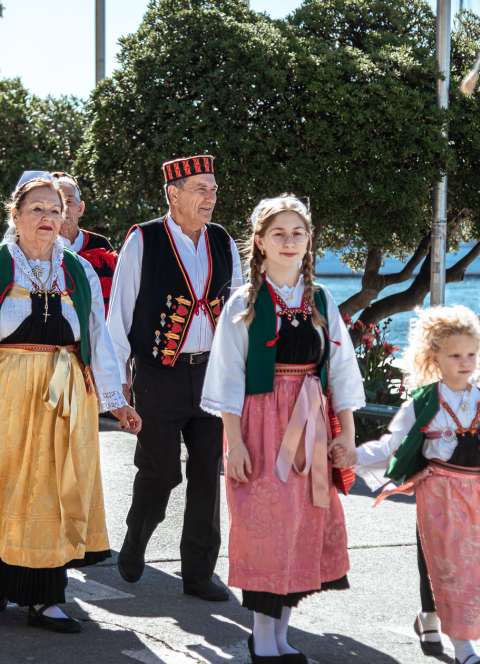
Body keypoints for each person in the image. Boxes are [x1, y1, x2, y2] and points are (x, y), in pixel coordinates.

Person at [0, 172, 140, 632]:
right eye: (36, 208)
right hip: (2, 394)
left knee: (52, 489)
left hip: (65, 397)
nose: (47, 217)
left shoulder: (77, 270)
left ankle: (46, 598)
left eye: (55, 209)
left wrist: (118, 400)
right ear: (15, 215)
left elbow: (98, 337)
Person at [200, 196, 364, 662]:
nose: (289, 242)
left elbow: (342, 369)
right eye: (279, 234)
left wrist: (347, 434)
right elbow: (227, 375)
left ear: (309, 240)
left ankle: (281, 636)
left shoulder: (321, 300)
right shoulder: (244, 302)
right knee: (264, 525)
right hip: (260, 423)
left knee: (302, 523)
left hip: (311, 422)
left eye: (297, 233)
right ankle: (262, 637)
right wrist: (234, 444)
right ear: (260, 242)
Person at [356, 306, 480, 664]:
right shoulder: (424, 402)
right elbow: (392, 446)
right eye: (455, 355)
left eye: (471, 354)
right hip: (437, 493)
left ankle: (429, 619)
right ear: (434, 356)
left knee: (471, 568)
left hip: (477, 496)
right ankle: (464, 649)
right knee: (448, 566)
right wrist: (348, 456)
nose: (465, 362)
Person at [106, 154, 242, 602]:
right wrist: (117, 383)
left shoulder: (223, 240)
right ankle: (136, 535)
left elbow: (239, 312)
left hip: (211, 374)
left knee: (208, 471)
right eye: (201, 188)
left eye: (214, 189)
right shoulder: (143, 239)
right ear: (174, 194)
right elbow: (119, 315)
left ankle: (199, 573)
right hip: (158, 376)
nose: (211, 197)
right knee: (161, 471)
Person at [53, 171, 118, 314]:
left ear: (80, 208)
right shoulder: (42, 247)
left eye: (69, 201)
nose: (64, 208)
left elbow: (117, 294)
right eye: (58, 202)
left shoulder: (100, 245)